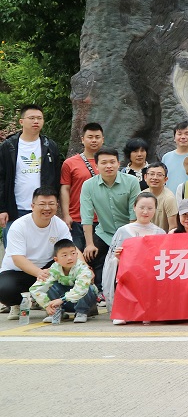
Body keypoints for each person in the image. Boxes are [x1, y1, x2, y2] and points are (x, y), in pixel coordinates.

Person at [0, 188, 71, 320]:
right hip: (18, 271)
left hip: (47, 268)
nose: (47, 208)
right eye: (42, 204)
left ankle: (48, 304)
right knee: (4, 289)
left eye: (51, 204)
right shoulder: (19, 226)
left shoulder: (60, 225)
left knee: (69, 271)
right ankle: (17, 304)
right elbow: (18, 259)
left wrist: (85, 268)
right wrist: (39, 273)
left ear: (57, 206)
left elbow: (70, 250)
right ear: (32, 206)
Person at [0, 105, 62, 246]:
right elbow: (1, 179)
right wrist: (2, 209)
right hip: (15, 208)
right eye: (32, 118)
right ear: (21, 121)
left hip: (43, 207)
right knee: (14, 250)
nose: (36, 121)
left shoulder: (50, 146)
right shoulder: (8, 147)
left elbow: (56, 177)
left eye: (39, 118)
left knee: (42, 248)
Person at [81, 147, 140, 291]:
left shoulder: (131, 181)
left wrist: (129, 241)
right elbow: (87, 216)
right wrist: (89, 244)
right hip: (104, 232)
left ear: (118, 164)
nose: (108, 166)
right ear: (96, 165)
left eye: (112, 162)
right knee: (91, 255)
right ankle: (99, 291)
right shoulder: (88, 185)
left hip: (128, 232)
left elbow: (134, 214)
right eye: (104, 163)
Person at [104, 191, 166, 324]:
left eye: (150, 208)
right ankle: (123, 312)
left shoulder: (160, 233)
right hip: (128, 276)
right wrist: (118, 258)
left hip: (150, 276)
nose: (145, 212)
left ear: (155, 209)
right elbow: (111, 261)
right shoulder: (123, 231)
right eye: (141, 207)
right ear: (134, 207)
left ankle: (148, 311)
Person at [30, 239, 98, 324]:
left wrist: (62, 299)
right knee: (49, 285)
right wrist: (47, 305)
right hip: (64, 302)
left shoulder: (83, 268)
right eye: (64, 255)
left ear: (77, 255)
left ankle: (81, 312)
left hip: (83, 301)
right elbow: (35, 288)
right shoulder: (54, 269)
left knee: (87, 287)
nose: (70, 258)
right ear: (56, 259)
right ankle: (57, 311)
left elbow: (81, 289)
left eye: (73, 253)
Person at [59, 122, 103, 250]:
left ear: (102, 139)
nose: (94, 140)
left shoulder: (108, 163)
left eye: (97, 137)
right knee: (76, 254)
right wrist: (66, 215)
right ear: (83, 139)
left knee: (98, 256)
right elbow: (65, 189)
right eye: (90, 137)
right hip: (77, 218)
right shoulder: (70, 163)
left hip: (102, 219)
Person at [159, 121, 188, 191]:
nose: (183, 137)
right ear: (174, 137)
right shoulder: (166, 157)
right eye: (179, 134)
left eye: (187, 134)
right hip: (170, 197)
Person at [143, 162, 179, 232]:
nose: (155, 178)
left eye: (159, 175)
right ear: (145, 177)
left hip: (162, 237)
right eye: (152, 174)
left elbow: (173, 227)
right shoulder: (141, 196)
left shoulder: (169, 198)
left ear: (165, 179)